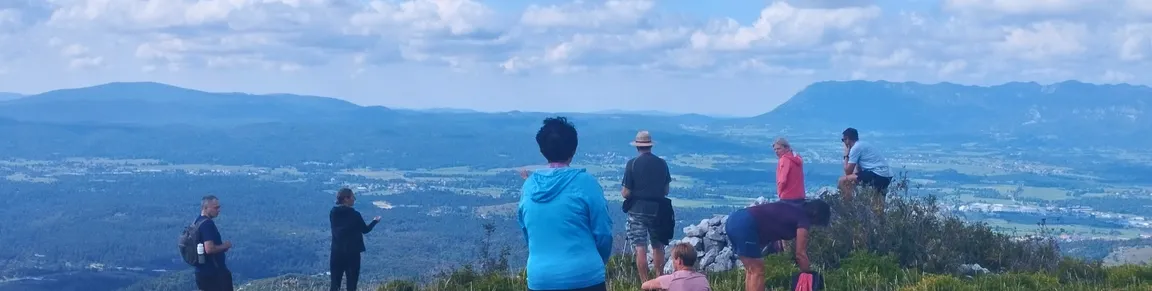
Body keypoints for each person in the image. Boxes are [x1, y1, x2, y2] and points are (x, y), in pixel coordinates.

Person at [518, 116, 614, 291]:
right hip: (585, 276)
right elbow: (603, 233)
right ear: (573, 149)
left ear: (542, 149)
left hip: (540, 278)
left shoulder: (529, 186)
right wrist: (597, 261)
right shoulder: (586, 183)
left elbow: (527, 232)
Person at [724, 200, 831, 291]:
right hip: (745, 224)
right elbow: (800, 254)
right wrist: (808, 275)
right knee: (757, 269)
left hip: (735, 219)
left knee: (752, 270)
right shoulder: (803, 220)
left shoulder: (794, 209)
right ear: (817, 215)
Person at [621, 130, 674, 282]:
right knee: (658, 246)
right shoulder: (662, 164)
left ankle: (645, 283)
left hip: (637, 210)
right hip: (658, 210)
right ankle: (659, 279)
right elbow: (665, 190)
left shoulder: (632, 164)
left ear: (637, 147)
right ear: (650, 146)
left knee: (640, 247)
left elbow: (625, 192)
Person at [329, 188, 381, 291]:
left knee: (335, 284)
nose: (354, 199)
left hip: (336, 252)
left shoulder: (333, 213)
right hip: (352, 254)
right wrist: (375, 221)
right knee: (352, 284)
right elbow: (365, 230)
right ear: (346, 199)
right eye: (353, 197)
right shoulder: (355, 215)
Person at [837, 128, 893, 208]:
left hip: (877, 174)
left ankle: (849, 207)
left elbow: (848, 172)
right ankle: (880, 218)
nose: (844, 142)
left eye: (843, 140)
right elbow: (858, 170)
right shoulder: (862, 145)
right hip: (887, 175)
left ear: (848, 139)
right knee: (877, 204)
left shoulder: (855, 148)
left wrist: (846, 155)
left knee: (842, 181)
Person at [195, 195, 233, 291]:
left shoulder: (197, 221)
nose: (218, 210)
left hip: (202, 273)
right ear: (205, 208)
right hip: (214, 274)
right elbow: (209, 248)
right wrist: (225, 246)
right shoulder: (207, 224)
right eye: (216, 207)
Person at [640, 243, 711, 291]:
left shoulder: (671, 279)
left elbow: (644, 286)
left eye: (673, 259)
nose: (673, 262)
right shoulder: (703, 279)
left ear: (679, 261)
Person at [773, 137, 805, 206]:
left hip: (787, 198)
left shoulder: (784, 160)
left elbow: (782, 180)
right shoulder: (797, 159)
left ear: (786, 148)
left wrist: (780, 193)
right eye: (775, 149)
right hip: (800, 196)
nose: (776, 151)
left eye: (779, 149)